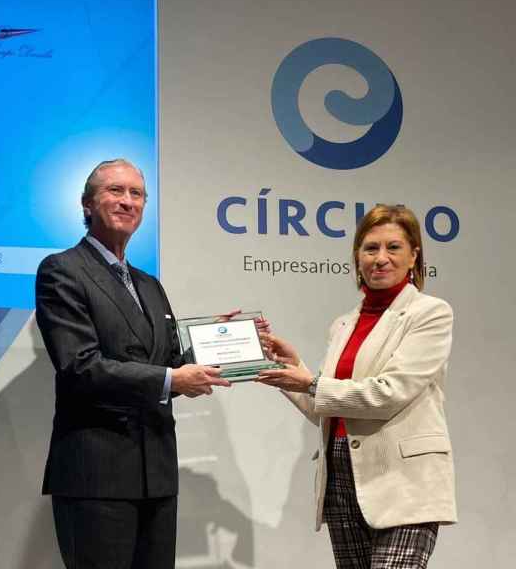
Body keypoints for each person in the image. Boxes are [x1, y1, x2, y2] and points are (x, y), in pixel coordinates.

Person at [34, 159, 236, 569]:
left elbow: (168, 360)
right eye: (115, 191)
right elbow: (80, 366)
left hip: (156, 474)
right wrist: (171, 377)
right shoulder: (62, 271)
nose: (128, 201)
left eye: (136, 194)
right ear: (87, 204)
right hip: (97, 476)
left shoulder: (149, 284)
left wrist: (222, 343)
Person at [258, 204, 456, 569]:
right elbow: (325, 405)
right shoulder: (344, 324)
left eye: (393, 248)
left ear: (414, 256)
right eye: (370, 248)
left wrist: (312, 382)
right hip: (341, 479)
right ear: (357, 257)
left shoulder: (431, 313)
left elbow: (388, 393)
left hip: (404, 483)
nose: (380, 258)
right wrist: (286, 368)